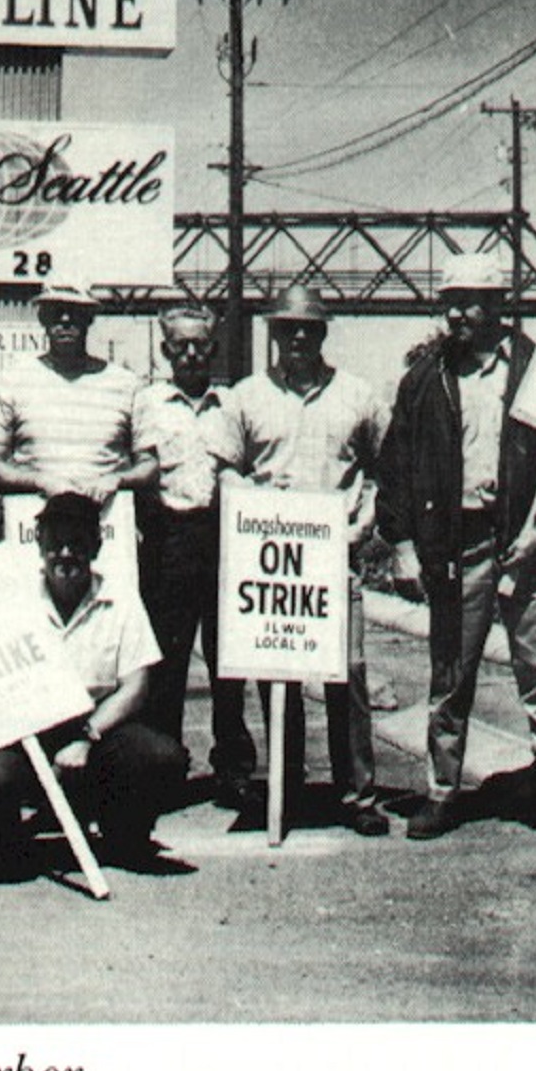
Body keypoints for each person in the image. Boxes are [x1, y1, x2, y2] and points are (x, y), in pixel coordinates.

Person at [376, 252, 536, 846]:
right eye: (449, 301)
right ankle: (443, 791)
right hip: (456, 545)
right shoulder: (424, 380)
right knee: (450, 674)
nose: (456, 313)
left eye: (470, 300)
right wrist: (399, 542)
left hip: (527, 544)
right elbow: (394, 464)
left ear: (499, 304)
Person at [224, 285, 390, 836]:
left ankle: (357, 793)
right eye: (287, 327)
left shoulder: (358, 396)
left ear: (323, 332)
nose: (298, 336)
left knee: (350, 675)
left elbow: (382, 472)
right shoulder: (245, 397)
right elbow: (226, 470)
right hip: (274, 562)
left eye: (309, 327)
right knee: (279, 679)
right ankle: (286, 787)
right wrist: (255, 511)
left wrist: (359, 528)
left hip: (335, 559)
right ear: (271, 332)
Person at [0, 493, 189, 882]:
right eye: (56, 543)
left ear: (97, 547)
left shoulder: (122, 600)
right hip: (26, 733)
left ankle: (123, 832)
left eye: (78, 544)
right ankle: (4, 840)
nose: (65, 554)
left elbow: (137, 686)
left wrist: (86, 737)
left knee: (161, 757)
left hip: (94, 733)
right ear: (39, 545)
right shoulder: (11, 601)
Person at [131, 305, 258, 801]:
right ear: (165, 351)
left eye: (199, 345)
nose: (189, 353)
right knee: (167, 661)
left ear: (213, 348)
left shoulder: (232, 403)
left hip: (224, 537)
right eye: (179, 345)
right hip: (169, 538)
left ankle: (234, 769)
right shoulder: (146, 403)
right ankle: (164, 766)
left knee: (230, 658)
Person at [0, 283, 144, 501]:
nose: (66, 320)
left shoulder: (126, 384)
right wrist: (38, 481)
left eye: (75, 312)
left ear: (90, 318)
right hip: (33, 523)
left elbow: (149, 465)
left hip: (108, 520)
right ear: (42, 319)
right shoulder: (11, 382)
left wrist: (116, 480)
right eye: (56, 312)